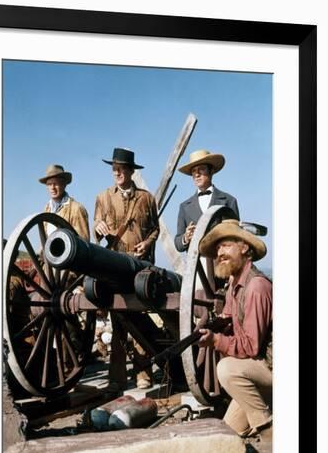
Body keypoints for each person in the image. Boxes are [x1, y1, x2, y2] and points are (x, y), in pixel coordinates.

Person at [197, 219, 272, 439]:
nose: (220, 252)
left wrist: (215, 341)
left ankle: (269, 429)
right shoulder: (233, 286)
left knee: (227, 368)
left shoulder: (256, 286)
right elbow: (228, 318)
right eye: (218, 248)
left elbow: (250, 346)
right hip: (258, 370)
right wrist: (213, 325)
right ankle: (265, 408)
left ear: (244, 247)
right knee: (229, 434)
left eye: (226, 245)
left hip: (273, 366)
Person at [94, 147, 159, 390]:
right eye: (114, 169)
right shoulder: (102, 197)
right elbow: (97, 230)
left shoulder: (147, 198)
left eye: (121, 169)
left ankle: (143, 373)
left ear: (131, 171)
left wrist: (147, 243)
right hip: (113, 265)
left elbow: (155, 229)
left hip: (140, 267)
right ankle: (117, 375)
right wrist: (98, 226)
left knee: (139, 317)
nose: (117, 172)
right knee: (118, 316)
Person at [174, 150, 240, 252]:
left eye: (201, 169)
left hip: (221, 262)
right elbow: (178, 244)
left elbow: (237, 237)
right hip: (197, 265)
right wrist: (186, 237)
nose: (197, 174)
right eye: (193, 171)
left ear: (211, 171)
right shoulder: (184, 206)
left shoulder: (229, 201)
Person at [40, 164, 90, 240]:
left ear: (64, 184)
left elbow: (84, 242)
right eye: (49, 184)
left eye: (56, 184)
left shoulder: (76, 209)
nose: (52, 188)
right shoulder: (46, 209)